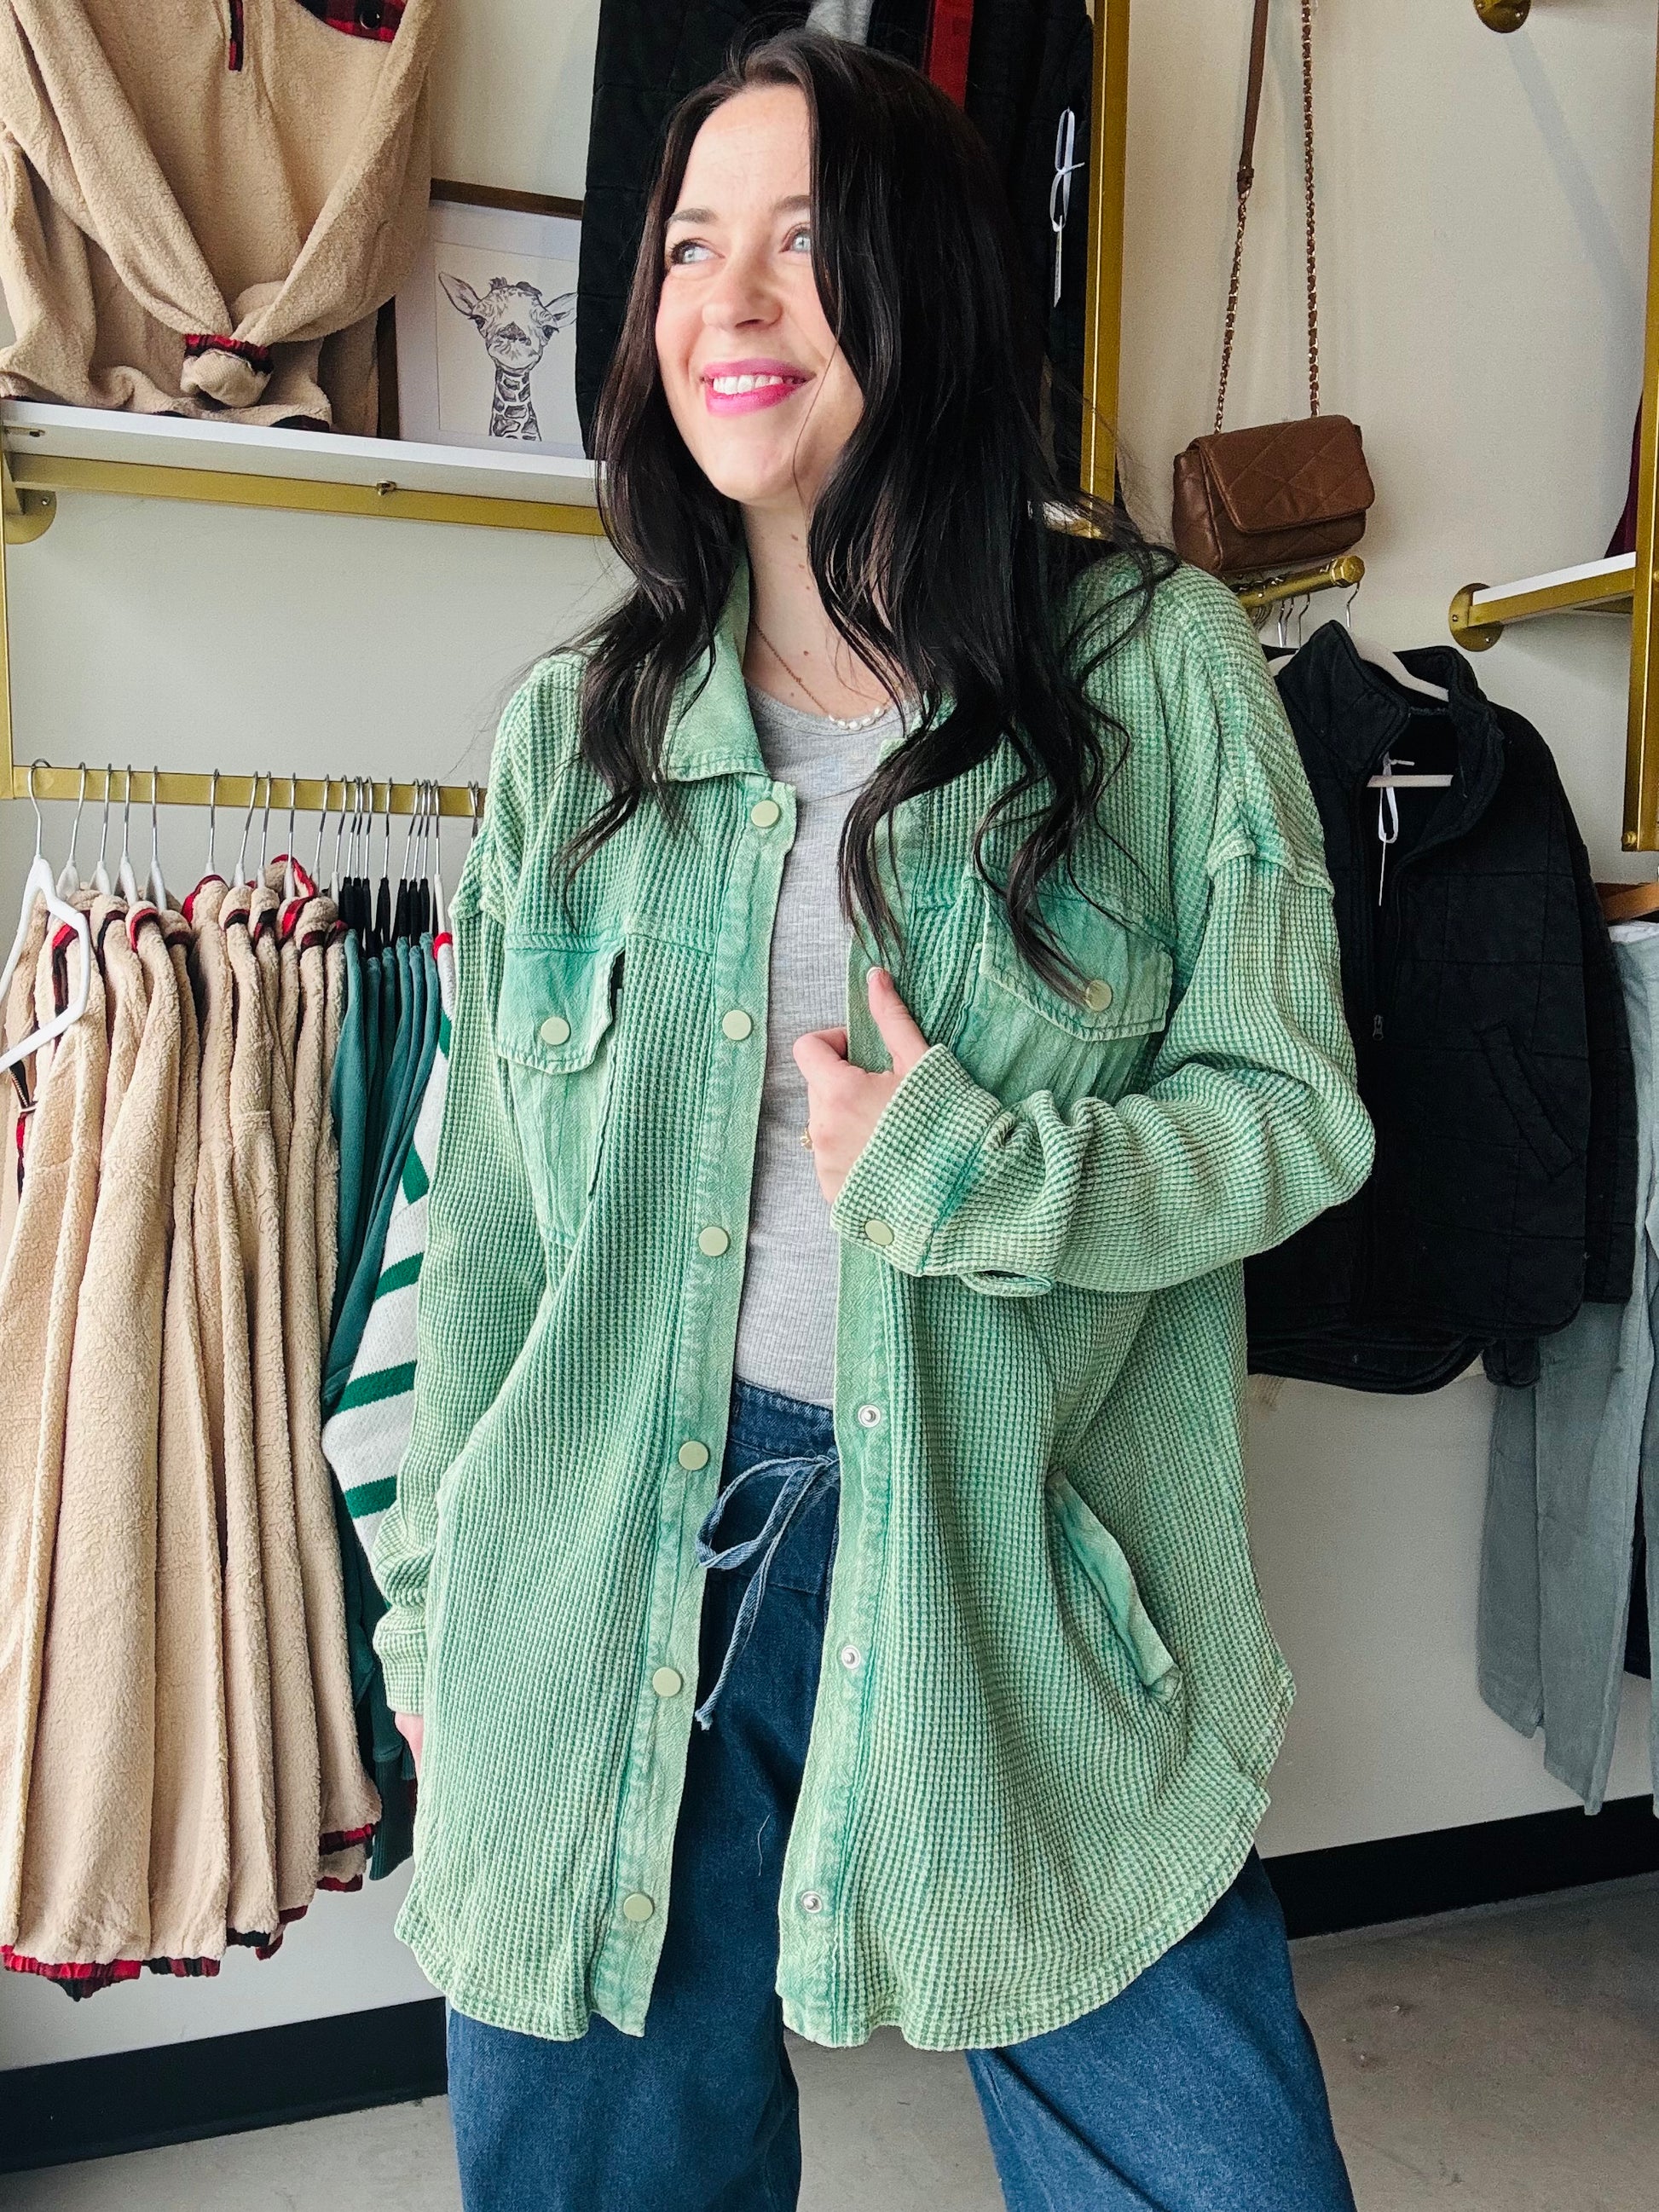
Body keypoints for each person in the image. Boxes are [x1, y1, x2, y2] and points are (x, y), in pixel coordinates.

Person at [370, 28, 1374, 2212]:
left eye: (804, 244)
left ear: (928, 278)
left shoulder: (1152, 669)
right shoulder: (577, 733)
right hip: (598, 1561)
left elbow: (1293, 1114)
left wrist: (976, 1172)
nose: (727, 304)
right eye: (688, 247)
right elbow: (496, 1234)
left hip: (1015, 1563)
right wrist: (437, 1613)